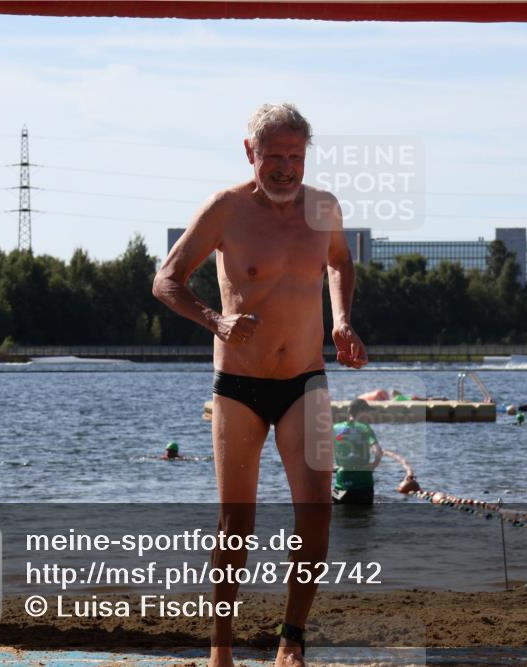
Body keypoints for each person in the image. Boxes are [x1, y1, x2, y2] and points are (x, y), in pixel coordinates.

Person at [152, 102, 367, 667]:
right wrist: (215, 320)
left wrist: (341, 319)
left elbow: (341, 263)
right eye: (274, 156)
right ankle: (221, 649)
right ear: (250, 153)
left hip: (306, 379)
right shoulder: (225, 210)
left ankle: (290, 638)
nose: (285, 168)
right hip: (238, 386)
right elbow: (166, 280)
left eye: (295, 157)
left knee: (317, 510)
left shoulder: (324, 208)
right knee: (236, 525)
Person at [331, 399, 383, 505]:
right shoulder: (365, 428)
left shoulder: (335, 428)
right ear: (361, 412)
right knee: (365, 518)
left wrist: (334, 467)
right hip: (363, 486)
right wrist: (373, 465)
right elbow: (378, 451)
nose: (369, 415)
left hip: (340, 487)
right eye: (367, 412)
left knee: (339, 517)